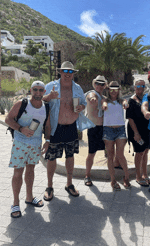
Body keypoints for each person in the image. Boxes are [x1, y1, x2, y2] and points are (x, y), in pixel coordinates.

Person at [43, 61, 95, 200]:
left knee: (70, 156)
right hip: (56, 127)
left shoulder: (77, 88)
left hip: (71, 127)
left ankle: (69, 184)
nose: (67, 74)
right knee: (51, 157)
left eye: (70, 72)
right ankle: (49, 186)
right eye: (65, 71)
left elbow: (83, 103)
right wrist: (49, 97)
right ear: (60, 72)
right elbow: (41, 100)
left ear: (73, 74)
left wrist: (82, 107)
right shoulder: (50, 86)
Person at [5, 81, 51, 218]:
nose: (38, 93)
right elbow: (8, 119)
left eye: (41, 90)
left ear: (44, 92)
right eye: (35, 90)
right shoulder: (22, 103)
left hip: (36, 144)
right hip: (20, 143)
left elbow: (47, 126)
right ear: (31, 90)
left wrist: (47, 141)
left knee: (31, 170)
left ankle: (29, 198)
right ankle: (15, 203)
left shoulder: (46, 107)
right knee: (18, 172)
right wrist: (21, 129)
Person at [102, 81, 130, 191]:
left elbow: (125, 103)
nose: (113, 91)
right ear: (108, 90)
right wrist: (104, 105)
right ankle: (113, 180)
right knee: (110, 156)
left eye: (116, 89)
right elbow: (103, 104)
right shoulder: (105, 100)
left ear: (119, 90)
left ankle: (126, 177)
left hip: (120, 130)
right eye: (111, 89)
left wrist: (125, 105)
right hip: (108, 130)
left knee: (120, 155)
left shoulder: (122, 100)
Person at [126, 79, 150, 187]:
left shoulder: (146, 98)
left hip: (146, 130)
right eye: (138, 86)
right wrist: (136, 133)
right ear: (134, 87)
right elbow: (130, 118)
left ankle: (145, 174)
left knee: (145, 151)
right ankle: (138, 176)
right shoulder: (131, 101)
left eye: (142, 86)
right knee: (139, 152)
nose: (140, 88)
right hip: (136, 131)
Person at [84, 75, 107, 186]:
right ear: (94, 84)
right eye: (97, 83)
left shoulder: (103, 97)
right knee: (91, 153)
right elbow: (91, 97)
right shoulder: (92, 94)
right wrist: (92, 99)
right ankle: (87, 175)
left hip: (104, 128)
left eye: (102, 84)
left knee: (110, 150)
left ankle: (115, 169)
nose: (99, 85)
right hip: (94, 128)